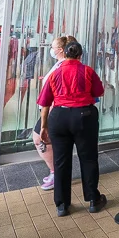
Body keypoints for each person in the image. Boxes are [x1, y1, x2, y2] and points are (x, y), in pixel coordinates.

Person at [37, 40, 107, 216]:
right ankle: (93, 200)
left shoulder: (55, 73)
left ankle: (62, 205)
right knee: (89, 158)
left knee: (61, 162)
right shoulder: (87, 71)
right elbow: (99, 92)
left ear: (65, 54)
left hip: (59, 118)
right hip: (84, 117)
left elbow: (45, 103)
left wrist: (44, 126)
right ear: (80, 55)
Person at [32, 36, 75, 193]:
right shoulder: (61, 64)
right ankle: (57, 173)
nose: (51, 49)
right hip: (52, 110)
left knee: (39, 140)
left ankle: (57, 174)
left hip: (53, 111)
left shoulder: (64, 66)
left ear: (61, 50)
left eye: (53, 47)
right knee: (50, 142)